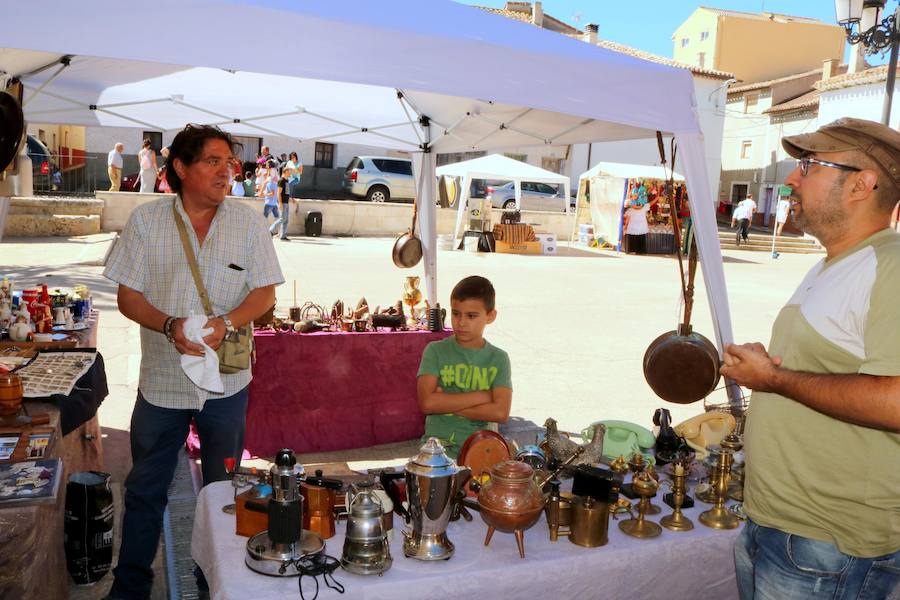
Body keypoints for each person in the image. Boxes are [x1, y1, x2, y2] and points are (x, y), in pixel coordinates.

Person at [721, 117, 900, 600]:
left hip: (829, 543)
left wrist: (775, 381)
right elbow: (828, 369)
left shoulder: (892, 265)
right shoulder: (834, 263)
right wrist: (770, 370)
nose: (790, 180)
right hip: (780, 524)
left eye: (808, 166)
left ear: (863, 184)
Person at [103, 124, 283, 599]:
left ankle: (215, 586)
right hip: (162, 384)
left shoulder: (247, 223)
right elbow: (127, 295)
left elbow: (264, 293)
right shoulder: (147, 222)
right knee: (145, 490)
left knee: (223, 495)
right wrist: (168, 325)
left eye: (230, 162)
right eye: (213, 162)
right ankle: (130, 588)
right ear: (180, 169)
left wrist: (227, 322)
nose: (227, 172)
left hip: (227, 384)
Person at [416, 276, 512, 458]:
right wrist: (482, 396)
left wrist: (444, 402)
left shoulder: (498, 358)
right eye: (456, 313)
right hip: (436, 451)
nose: (461, 322)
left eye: (471, 316)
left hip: (482, 451)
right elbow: (427, 403)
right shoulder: (435, 351)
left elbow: (500, 412)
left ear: (490, 316)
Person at [268, 165, 293, 240]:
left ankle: (283, 236)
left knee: (286, 220)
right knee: (282, 219)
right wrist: (280, 203)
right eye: (289, 172)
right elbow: (278, 193)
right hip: (282, 203)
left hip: (286, 202)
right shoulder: (281, 181)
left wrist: (291, 199)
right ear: (285, 172)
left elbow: (286, 192)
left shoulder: (287, 181)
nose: (290, 173)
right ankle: (270, 231)